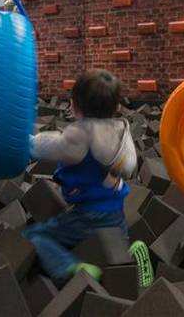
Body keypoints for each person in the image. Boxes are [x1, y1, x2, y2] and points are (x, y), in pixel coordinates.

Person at [24, 69, 139, 282]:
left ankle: (71, 268)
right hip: (115, 209)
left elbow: (51, 146)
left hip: (87, 213)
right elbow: (129, 165)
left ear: (74, 106)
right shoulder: (120, 130)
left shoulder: (80, 136)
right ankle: (127, 254)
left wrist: (27, 141)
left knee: (36, 235)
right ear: (116, 107)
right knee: (112, 242)